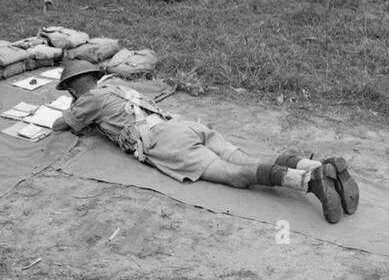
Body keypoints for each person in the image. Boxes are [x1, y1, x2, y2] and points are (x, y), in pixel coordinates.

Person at [49, 60, 358, 224]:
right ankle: (318, 165)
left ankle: (306, 180)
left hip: (164, 140)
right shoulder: (117, 85)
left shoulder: (87, 99)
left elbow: (60, 124)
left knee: (236, 177)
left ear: (74, 87)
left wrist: (74, 106)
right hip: (183, 124)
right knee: (244, 159)